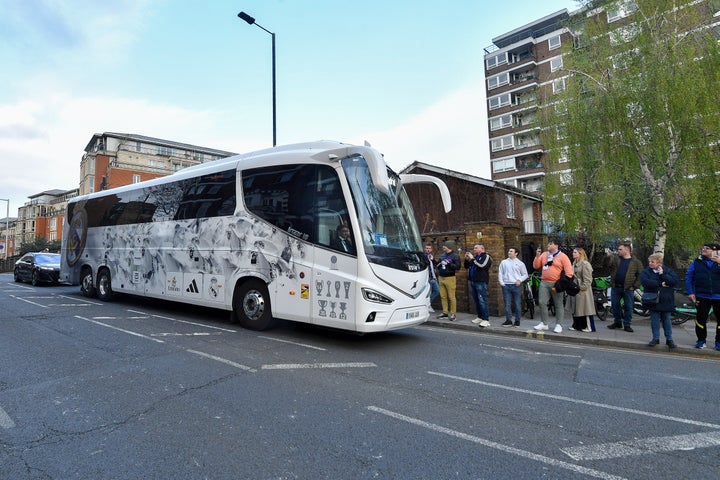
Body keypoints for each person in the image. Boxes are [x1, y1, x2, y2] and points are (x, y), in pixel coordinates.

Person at [532, 238, 573, 333]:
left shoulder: (563, 256)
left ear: (556, 245)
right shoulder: (544, 254)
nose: (548, 245)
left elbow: (569, 272)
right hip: (544, 282)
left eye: (550, 244)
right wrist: (537, 256)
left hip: (556, 284)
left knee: (558, 304)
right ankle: (544, 323)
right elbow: (536, 266)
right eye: (548, 244)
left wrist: (563, 283)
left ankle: (559, 324)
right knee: (542, 302)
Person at [685, 242, 720, 350]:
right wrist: (691, 292)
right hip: (702, 295)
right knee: (700, 319)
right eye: (703, 247)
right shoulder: (697, 262)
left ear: (714, 251)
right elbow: (689, 276)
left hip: (718, 296)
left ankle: (718, 342)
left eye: (707, 248)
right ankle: (701, 340)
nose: (704, 249)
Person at [641, 253, 679, 349]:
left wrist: (663, 274)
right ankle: (655, 338)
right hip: (652, 299)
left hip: (666, 299)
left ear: (659, 262)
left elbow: (674, 281)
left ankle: (669, 339)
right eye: (649, 261)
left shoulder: (668, 271)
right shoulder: (646, 271)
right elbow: (645, 282)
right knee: (654, 320)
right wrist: (660, 284)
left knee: (666, 319)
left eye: (652, 262)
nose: (650, 263)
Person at [604, 242, 643, 332]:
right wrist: (608, 257)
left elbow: (640, 275)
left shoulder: (636, 262)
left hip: (628, 288)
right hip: (616, 287)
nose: (618, 251)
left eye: (620, 249)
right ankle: (617, 322)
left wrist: (635, 286)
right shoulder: (616, 259)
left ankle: (627, 324)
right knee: (615, 305)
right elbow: (607, 265)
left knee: (628, 306)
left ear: (627, 250)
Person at [498, 246, 528, 327]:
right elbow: (500, 272)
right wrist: (501, 282)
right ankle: (508, 320)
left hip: (516, 285)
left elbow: (525, 274)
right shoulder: (503, 262)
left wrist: (520, 280)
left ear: (516, 253)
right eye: (509, 251)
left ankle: (517, 321)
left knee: (517, 303)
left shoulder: (520, 263)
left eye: (511, 251)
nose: (509, 252)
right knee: (507, 304)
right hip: (506, 285)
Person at [464, 244, 493, 327]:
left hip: (481, 282)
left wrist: (472, 258)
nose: (474, 249)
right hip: (473, 281)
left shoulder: (486, 256)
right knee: (476, 301)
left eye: (476, 248)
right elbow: (466, 266)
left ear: (482, 249)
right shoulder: (475, 257)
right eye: (474, 248)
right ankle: (480, 316)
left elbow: (481, 266)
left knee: (482, 300)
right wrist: (467, 259)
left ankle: (486, 319)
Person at [570, 248, 596, 332]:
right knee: (576, 309)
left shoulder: (585, 265)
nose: (573, 253)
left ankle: (589, 327)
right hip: (575, 289)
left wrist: (581, 288)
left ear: (580, 254)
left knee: (585, 309)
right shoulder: (574, 264)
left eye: (575, 252)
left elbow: (588, 280)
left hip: (583, 291)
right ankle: (577, 325)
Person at [436, 240, 461, 321]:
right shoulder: (443, 255)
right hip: (441, 277)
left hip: (450, 278)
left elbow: (458, 267)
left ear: (449, 247)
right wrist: (435, 262)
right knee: (443, 297)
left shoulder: (455, 256)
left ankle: (453, 314)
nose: (443, 247)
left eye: (445, 246)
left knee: (451, 297)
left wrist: (448, 264)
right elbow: (438, 264)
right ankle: (445, 313)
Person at [424, 243, 440, 311]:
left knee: (436, 291)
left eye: (429, 248)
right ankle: (427, 305)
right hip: (428, 278)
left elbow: (436, 265)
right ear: (425, 249)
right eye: (427, 248)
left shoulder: (431, 256)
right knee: (429, 292)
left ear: (431, 249)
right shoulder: (424, 256)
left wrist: (432, 259)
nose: (428, 249)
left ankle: (427, 304)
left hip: (433, 277)